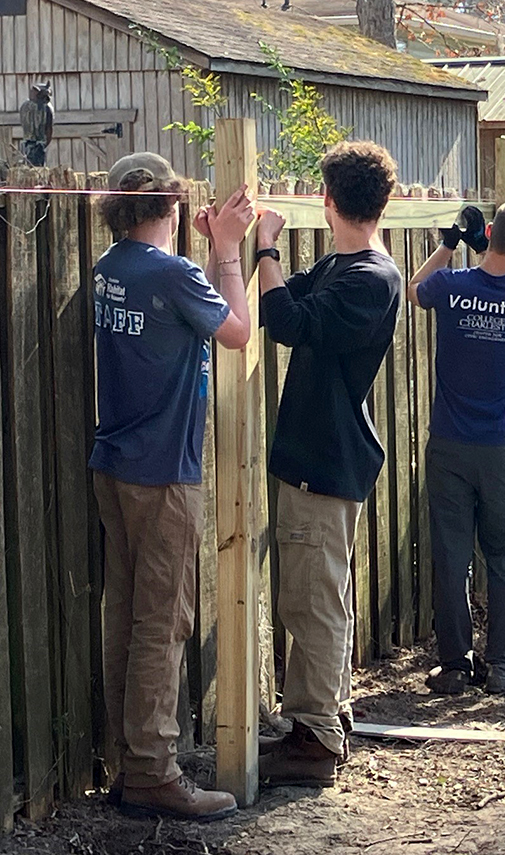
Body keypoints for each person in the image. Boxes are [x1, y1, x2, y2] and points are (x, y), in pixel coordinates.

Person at [92, 152, 252, 820]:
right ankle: (154, 771)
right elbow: (239, 332)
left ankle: (130, 764)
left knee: (125, 615)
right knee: (165, 619)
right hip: (164, 471)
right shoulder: (177, 274)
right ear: (172, 203)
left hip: (116, 460)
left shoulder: (109, 270)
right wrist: (228, 250)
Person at [254, 141, 403, 787]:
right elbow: (292, 296)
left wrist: (262, 247)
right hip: (324, 455)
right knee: (321, 595)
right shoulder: (347, 267)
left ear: (329, 200)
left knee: (313, 601)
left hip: (326, 457)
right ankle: (324, 716)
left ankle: (315, 739)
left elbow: (282, 317)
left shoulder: (371, 278)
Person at [407, 201, 505, 695]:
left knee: (450, 552)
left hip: (448, 441)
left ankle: (454, 668)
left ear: (488, 231)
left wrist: (449, 243)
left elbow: (412, 290)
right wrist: (490, 244)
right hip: (502, 447)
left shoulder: (451, 286)